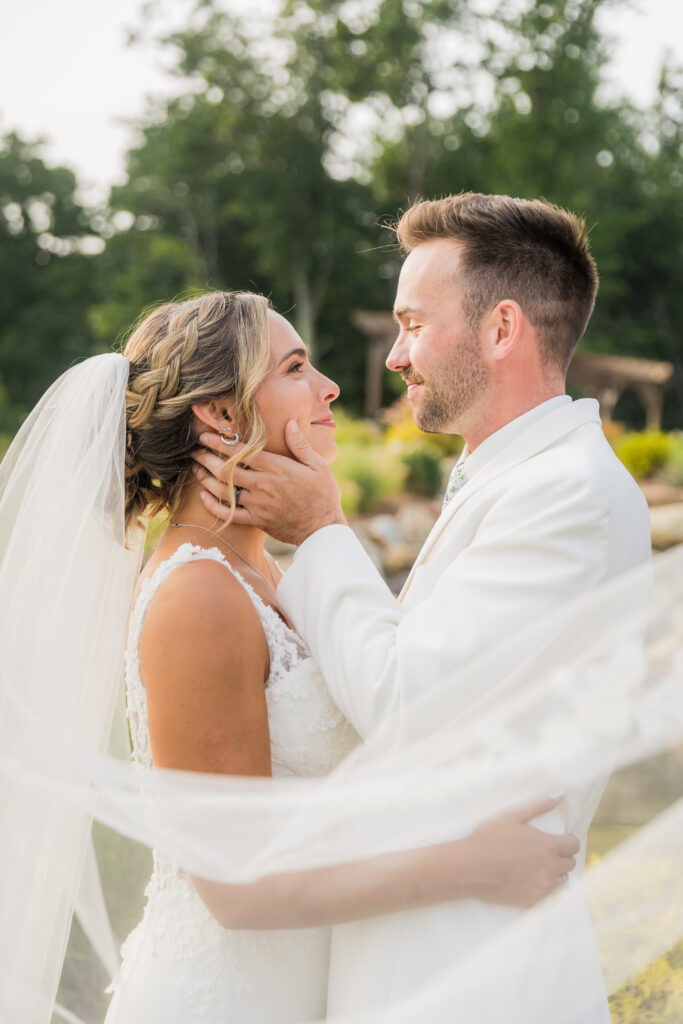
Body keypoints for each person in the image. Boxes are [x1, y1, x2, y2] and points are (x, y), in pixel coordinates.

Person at [50, 290, 575, 1024]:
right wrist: (469, 868)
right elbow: (235, 889)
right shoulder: (196, 596)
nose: (328, 386)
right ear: (224, 415)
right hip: (225, 998)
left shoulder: (271, 577)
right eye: (296, 367)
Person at [193, 194, 653, 1020]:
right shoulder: (514, 474)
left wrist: (321, 527)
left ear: (500, 329)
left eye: (412, 322)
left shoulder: (565, 494)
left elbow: (409, 702)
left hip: (470, 972)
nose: (396, 355)